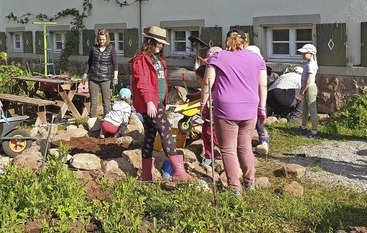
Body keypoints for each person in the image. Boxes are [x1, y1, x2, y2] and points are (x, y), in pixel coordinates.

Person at [201, 31, 267, 196]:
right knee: (245, 147)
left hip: (225, 109)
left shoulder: (218, 57)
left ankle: (235, 189)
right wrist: (262, 108)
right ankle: (250, 182)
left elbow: (208, 83)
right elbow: (263, 86)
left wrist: (203, 104)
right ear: (245, 43)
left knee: (228, 149)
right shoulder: (257, 59)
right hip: (250, 108)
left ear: (227, 42)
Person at [131, 26, 189, 181]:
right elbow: (142, 82)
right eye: (158, 43)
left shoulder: (158, 60)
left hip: (157, 102)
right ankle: (179, 172)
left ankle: (146, 174)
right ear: (149, 41)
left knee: (150, 134)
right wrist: (150, 102)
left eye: (162, 44)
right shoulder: (140, 60)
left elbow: (160, 82)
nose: (160, 46)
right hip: (150, 103)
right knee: (166, 131)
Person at [84, 29, 119, 126]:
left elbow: (115, 64)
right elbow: (89, 63)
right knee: (93, 100)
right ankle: (92, 122)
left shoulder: (111, 49)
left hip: (105, 78)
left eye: (103, 39)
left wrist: (115, 77)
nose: (101, 41)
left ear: (107, 39)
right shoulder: (93, 48)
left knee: (106, 101)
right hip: (93, 78)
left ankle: (107, 121)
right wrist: (85, 74)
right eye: (99, 39)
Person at [245, 45, 270, 153]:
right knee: (258, 120)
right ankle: (263, 139)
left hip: (248, 96)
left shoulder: (245, 65)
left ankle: (245, 145)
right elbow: (263, 85)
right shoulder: (260, 64)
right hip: (258, 96)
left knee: (247, 121)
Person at [296, 44, 320, 138]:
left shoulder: (311, 65)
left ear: (311, 53)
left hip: (310, 88)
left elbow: (308, 80)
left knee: (312, 109)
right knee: (305, 108)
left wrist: (303, 90)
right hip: (308, 88)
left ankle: (314, 132)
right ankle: (303, 127)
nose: (302, 55)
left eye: (304, 53)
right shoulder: (309, 64)